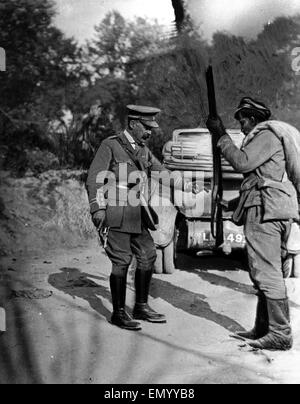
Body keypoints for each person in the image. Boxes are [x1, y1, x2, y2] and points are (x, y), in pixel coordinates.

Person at [86, 105, 195, 331]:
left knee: (148, 255)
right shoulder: (111, 145)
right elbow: (94, 179)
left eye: (151, 128)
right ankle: (118, 313)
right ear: (134, 123)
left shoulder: (143, 150)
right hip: (116, 210)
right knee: (122, 260)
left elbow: (160, 172)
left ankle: (141, 307)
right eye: (146, 127)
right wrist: (97, 209)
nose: (150, 132)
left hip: (138, 211)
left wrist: (185, 184)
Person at [207, 97, 299, 351]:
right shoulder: (271, 138)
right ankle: (264, 328)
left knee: (266, 272)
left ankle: (279, 333)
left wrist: (221, 135)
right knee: (267, 272)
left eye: (244, 121)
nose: (242, 127)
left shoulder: (266, 135)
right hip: (272, 210)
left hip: (265, 214)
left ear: (254, 118)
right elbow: (258, 182)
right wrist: (232, 204)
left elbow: (242, 162)